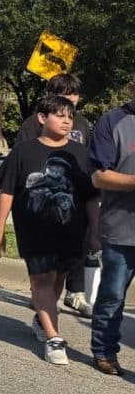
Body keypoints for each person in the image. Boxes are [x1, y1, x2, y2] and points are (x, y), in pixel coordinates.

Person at [0, 95, 98, 365]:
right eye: (59, 115)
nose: (66, 121)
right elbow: (7, 191)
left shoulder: (81, 154)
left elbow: (90, 198)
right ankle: (54, 338)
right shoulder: (24, 152)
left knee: (58, 278)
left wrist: (95, 232)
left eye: (70, 117)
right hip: (34, 232)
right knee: (41, 279)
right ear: (42, 118)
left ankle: (42, 318)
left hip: (71, 232)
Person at [14, 73, 94, 316]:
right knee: (45, 253)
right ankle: (40, 294)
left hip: (75, 195)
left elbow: (89, 158)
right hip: (44, 196)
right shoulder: (32, 123)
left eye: (74, 94)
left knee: (78, 245)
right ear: (51, 96)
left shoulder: (81, 123)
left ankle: (76, 293)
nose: (71, 99)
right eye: (64, 94)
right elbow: (24, 159)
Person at [88, 76, 135, 376]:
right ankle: (104, 350)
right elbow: (98, 176)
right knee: (113, 295)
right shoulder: (112, 122)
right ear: (132, 88)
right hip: (121, 230)